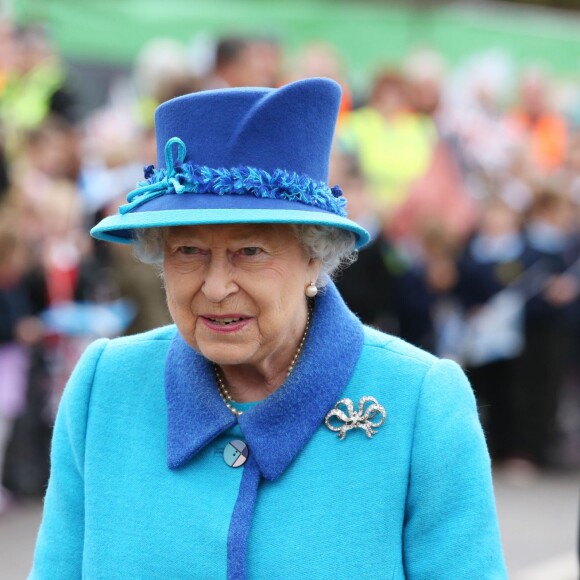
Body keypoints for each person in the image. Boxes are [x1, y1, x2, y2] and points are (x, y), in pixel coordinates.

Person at [29, 78, 506, 578]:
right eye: (188, 251)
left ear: (313, 258)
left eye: (250, 252)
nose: (215, 287)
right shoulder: (105, 387)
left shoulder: (420, 401)